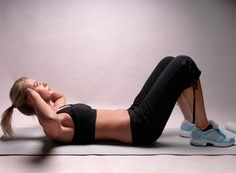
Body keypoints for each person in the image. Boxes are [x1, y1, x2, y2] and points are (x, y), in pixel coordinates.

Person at [1, 55, 234, 147]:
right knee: (184, 65)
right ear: (31, 101)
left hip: (134, 113)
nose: (43, 84)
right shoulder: (54, 126)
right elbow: (49, 116)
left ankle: (191, 123)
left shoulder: (60, 107)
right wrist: (30, 94)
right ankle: (203, 130)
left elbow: (56, 97)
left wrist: (38, 91)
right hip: (142, 127)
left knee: (168, 62)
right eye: (37, 85)